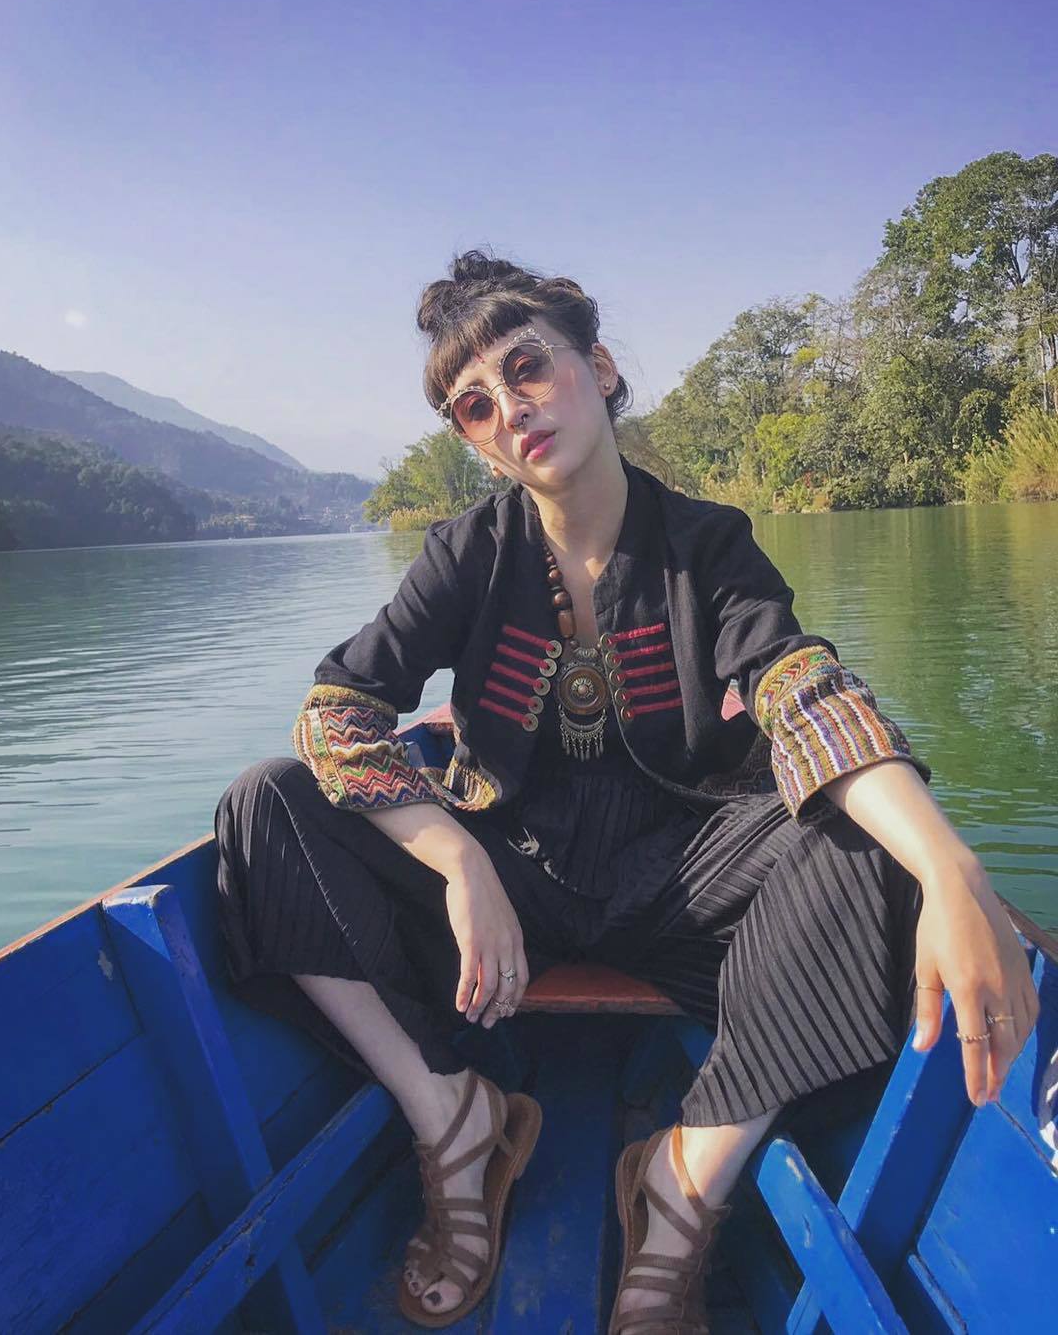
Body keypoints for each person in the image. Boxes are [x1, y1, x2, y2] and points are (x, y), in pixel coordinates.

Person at [215, 250, 1038, 1332]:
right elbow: (338, 712)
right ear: (473, 441)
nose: (512, 409)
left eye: (528, 368)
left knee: (870, 850)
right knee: (266, 806)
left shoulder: (706, 544)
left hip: (681, 878)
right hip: (509, 882)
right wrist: (457, 860)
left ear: (598, 369)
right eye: (476, 405)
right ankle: (452, 1120)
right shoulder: (466, 554)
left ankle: (681, 1181)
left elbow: (802, 688)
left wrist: (950, 867)